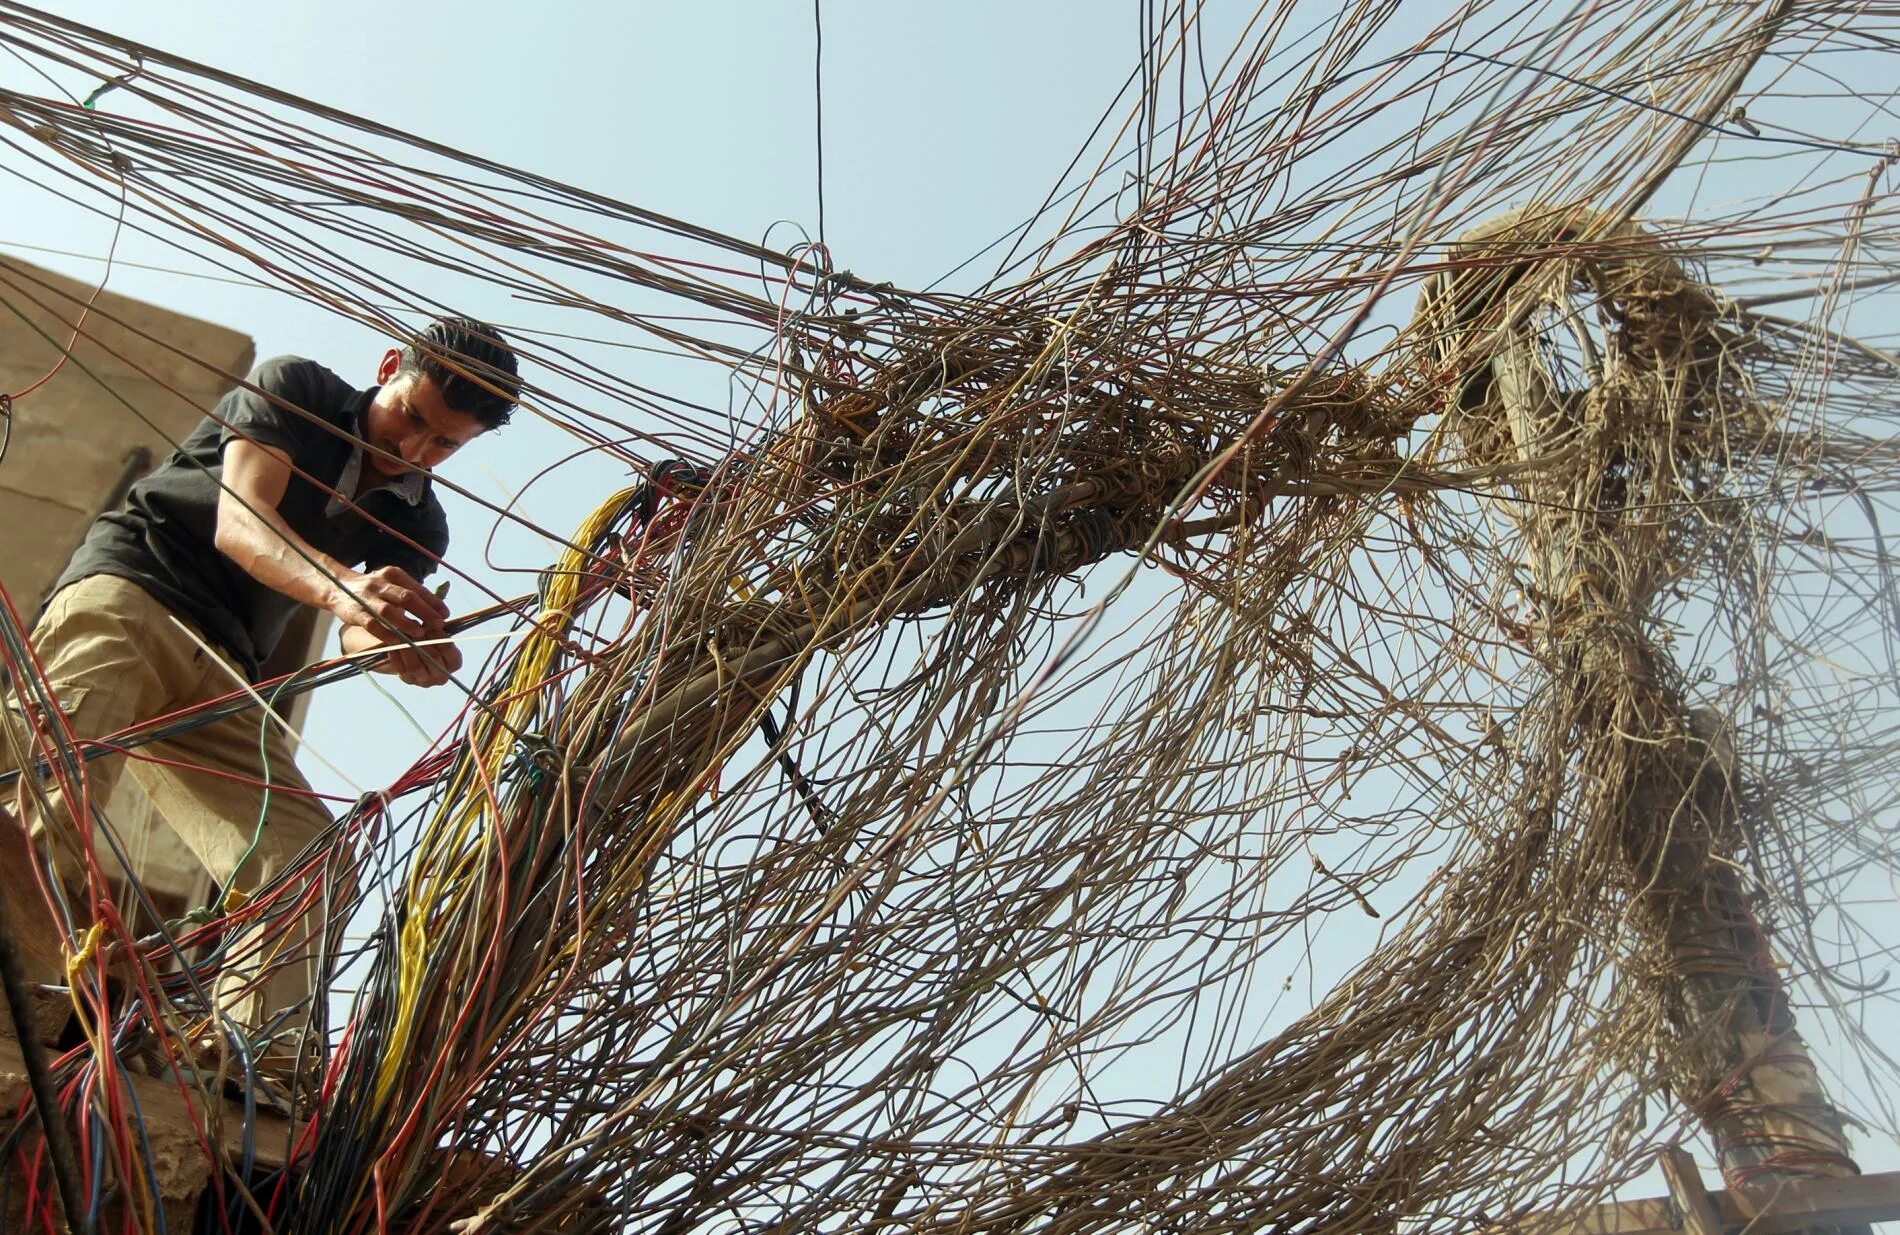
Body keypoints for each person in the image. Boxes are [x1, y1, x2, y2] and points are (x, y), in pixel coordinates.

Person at [0, 315, 519, 1059]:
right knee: (51, 793)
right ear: (390, 363)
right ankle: (16, 994)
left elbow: (352, 631)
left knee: (304, 856)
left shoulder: (421, 521)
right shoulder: (297, 387)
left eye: (444, 443)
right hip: (132, 590)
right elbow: (241, 522)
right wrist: (348, 589)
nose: (414, 448)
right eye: (411, 416)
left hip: (223, 667)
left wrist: (394, 644)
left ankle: (251, 1066)